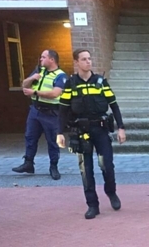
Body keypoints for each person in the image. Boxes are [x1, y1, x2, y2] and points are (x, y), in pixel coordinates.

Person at [56, 49, 126, 219]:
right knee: (86, 170)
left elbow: (114, 105)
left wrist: (121, 128)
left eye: (89, 58)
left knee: (106, 165)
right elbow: (63, 110)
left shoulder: (100, 82)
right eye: (84, 59)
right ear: (76, 62)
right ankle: (92, 205)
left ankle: (111, 192)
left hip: (101, 129)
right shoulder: (71, 84)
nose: (88, 62)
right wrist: (60, 133)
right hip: (81, 132)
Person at [13, 49, 67, 179]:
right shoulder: (39, 71)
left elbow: (55, 93)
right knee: (30, 137)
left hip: (51, 112)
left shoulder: (61, 76)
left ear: (52, 60)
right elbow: (24, 85)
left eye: (43, 57)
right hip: (35, 110)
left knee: (53, 141)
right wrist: (32, 78)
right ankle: (28, 163)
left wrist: (35, 93)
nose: (40, 59)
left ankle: (53, 166)